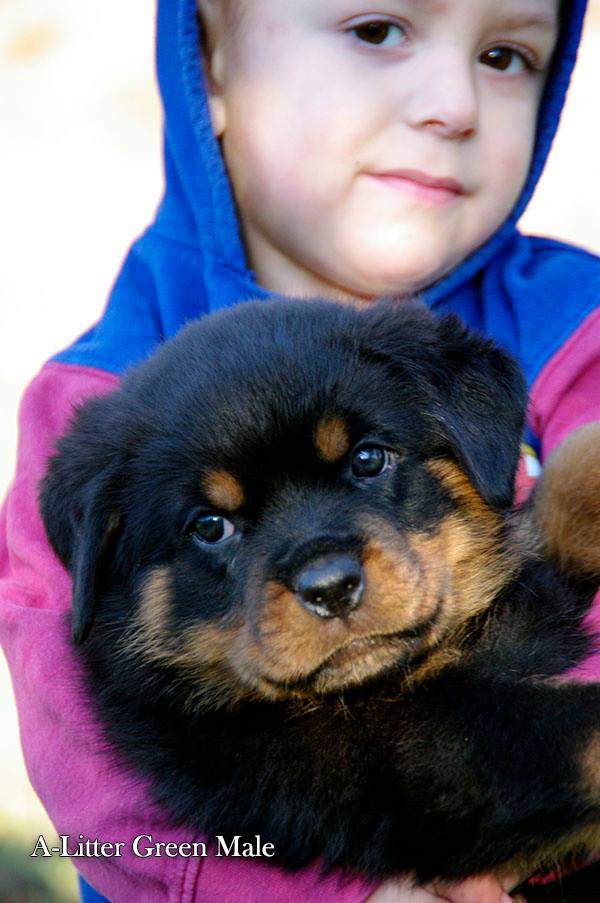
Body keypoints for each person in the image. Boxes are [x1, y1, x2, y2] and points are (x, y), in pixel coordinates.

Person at [1, 0, 599, 901]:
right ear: (210, 62)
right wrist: (346, 893)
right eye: (377, 30)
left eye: (506, 54)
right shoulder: (96, 403)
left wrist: (536, 774)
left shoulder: (572, 319)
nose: (452, 102)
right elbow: (87, 765)